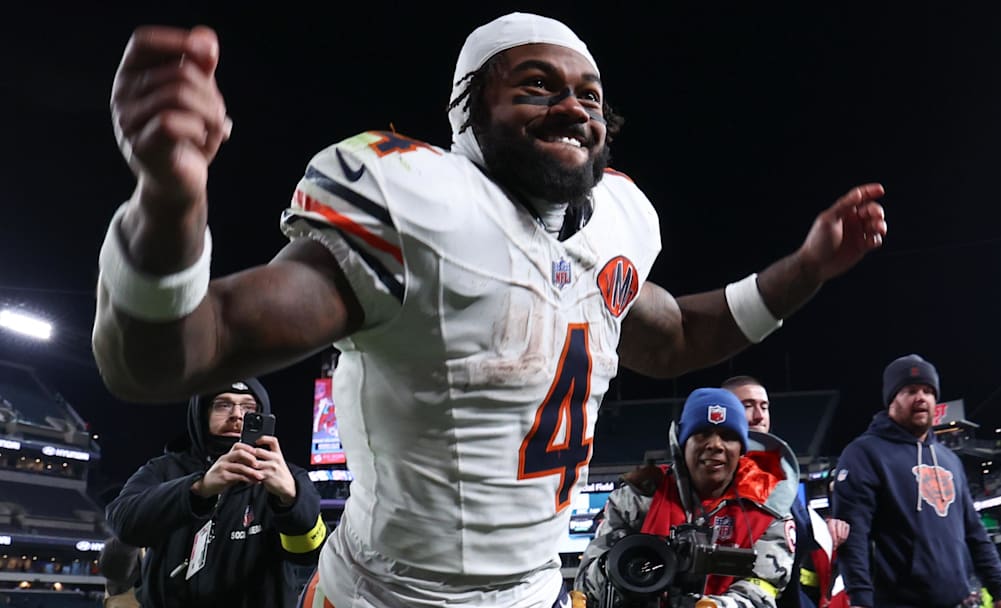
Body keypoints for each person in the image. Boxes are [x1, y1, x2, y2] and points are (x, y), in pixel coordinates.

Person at [92, 12, 887, 608]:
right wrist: (168, 202)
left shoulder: (610, 226)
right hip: (386, 596)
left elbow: (677, 336)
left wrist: (807, 267)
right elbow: (175, 353)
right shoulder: (418, 208)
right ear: (467, 112)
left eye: (589, 95)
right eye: (535, 86)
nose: (574, 108)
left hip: (537, 591)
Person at [105, 378, 326, 607]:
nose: (237, 415)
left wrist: (290, 502)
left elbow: (308, 554)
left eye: (248, 408)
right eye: (223, 405)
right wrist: (199, 489)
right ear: (201, 414)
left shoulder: (288, 478)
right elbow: (123, 523)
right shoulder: (164, 469)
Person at [575, 387, 798, 607]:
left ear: (742, 449)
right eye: (702, 433)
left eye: (728, 436)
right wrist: (618, 568)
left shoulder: (768, 511)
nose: (715, 445)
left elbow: (764, 588)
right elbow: (585, 585)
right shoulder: (636, 499)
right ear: (682, 443)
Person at [831, 355, 1001, 608]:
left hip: (956, 602)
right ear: (892, 399)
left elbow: (974, 533)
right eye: (910, 390)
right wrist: (860, 599)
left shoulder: (949, 460)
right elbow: (854, 535)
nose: (921, 397)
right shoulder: (864, 453)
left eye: (928, 391)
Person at [723, 375, 831, 608]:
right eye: (747, 406)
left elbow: (802, 539)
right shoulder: (714, 476)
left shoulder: (781, 473)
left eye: (764, 406)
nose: (759, 416)